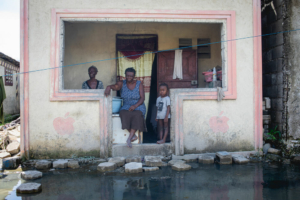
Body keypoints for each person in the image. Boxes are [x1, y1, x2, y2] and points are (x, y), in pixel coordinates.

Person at [105, 67, 146, 148]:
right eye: (127, 76)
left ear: (134, 76)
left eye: (131, 76)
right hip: (126, 105)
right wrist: (109, 87)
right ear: (125, 76)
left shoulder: (139, 84)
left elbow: (142, 98)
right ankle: (133, 135)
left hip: (138, 105)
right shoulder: (122, 83)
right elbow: (116, 87)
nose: (129, 77)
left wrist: (135, 106)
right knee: (123, 113)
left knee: (137, 115)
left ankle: (129, 138)